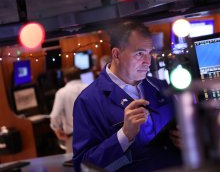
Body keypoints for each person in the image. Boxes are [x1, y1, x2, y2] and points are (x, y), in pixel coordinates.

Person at [73, 20, 182, 171]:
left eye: (149, 53)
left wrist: (186, 140)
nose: (148, 62)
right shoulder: (88, 100)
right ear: (116, 54)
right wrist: (124, 136)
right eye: (139, 54)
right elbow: (82, 166)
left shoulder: (160, 86)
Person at [50, 67, 88, 153]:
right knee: (95, 165)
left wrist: (57, 129)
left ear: (65, 79)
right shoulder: (91, 87)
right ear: (80, 76)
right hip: (95, 135)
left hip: (74, 137)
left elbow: (55, 115)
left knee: (74, 165)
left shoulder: (61, 93)